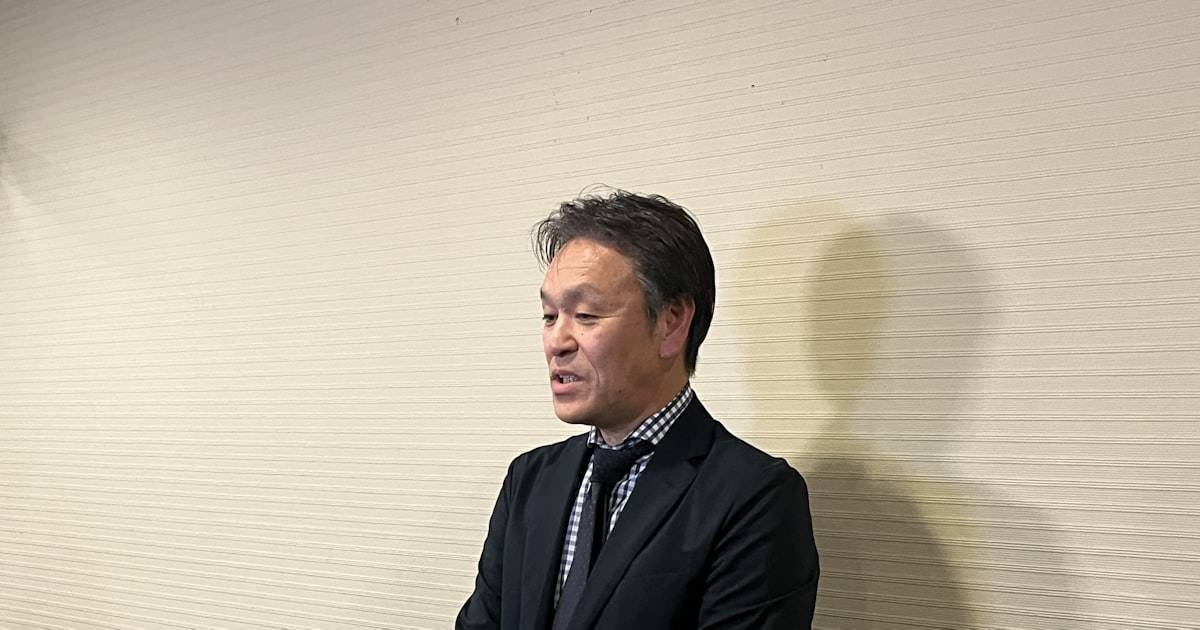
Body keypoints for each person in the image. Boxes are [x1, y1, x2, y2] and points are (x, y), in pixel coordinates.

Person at [456, 190, 819, 630]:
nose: (556, 342)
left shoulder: (753, 497)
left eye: (586, 315)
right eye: (550, 316)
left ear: (671, 322)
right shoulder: (529, 480)